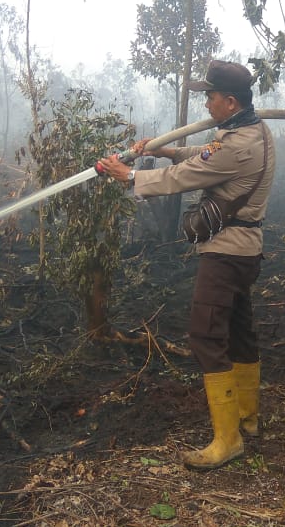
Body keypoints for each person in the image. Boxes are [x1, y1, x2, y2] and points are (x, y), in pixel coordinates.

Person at [95, 59, 275, 469]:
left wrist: (129, 177)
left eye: (210, 96)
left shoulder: (240, 145)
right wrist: (165, 150)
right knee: (240, 331)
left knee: (206, 336)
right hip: (245, 252)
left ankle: (227, 440)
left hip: (226, 253)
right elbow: (204, 153)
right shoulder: (251, 131)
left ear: (230, 102)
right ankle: (248, 420)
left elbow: (186, 176)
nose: (206, 102)